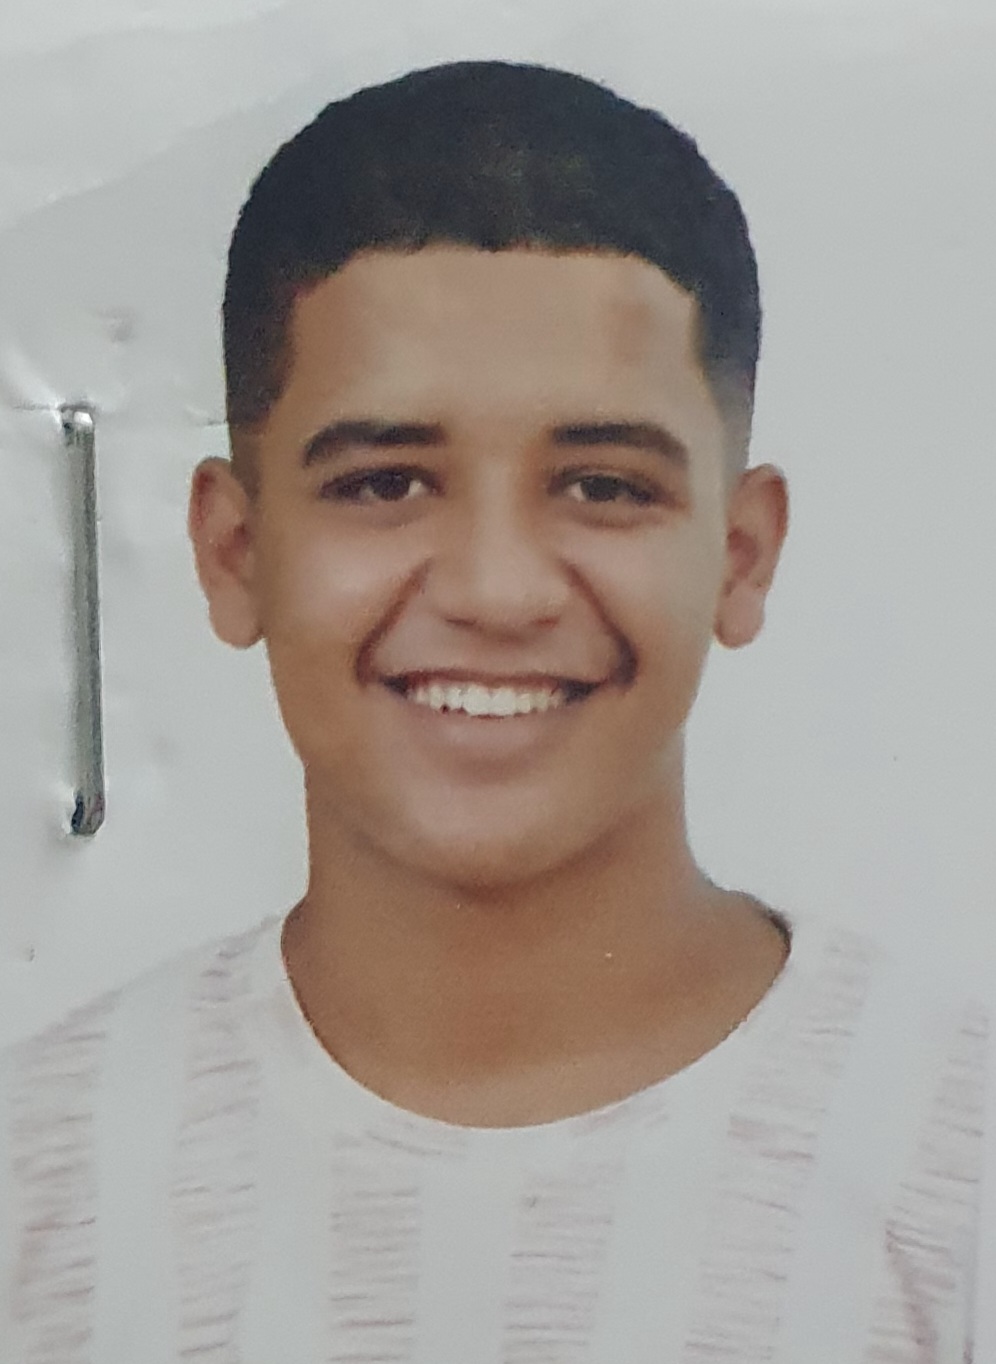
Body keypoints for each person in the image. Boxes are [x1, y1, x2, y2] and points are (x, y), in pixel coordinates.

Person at [0, 59, 988, 1362]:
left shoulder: (952, 1174)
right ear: (234, 554)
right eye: (386, 483)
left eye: (603, 485)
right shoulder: (39, 1184)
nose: (497, 590)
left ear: (741, 557)